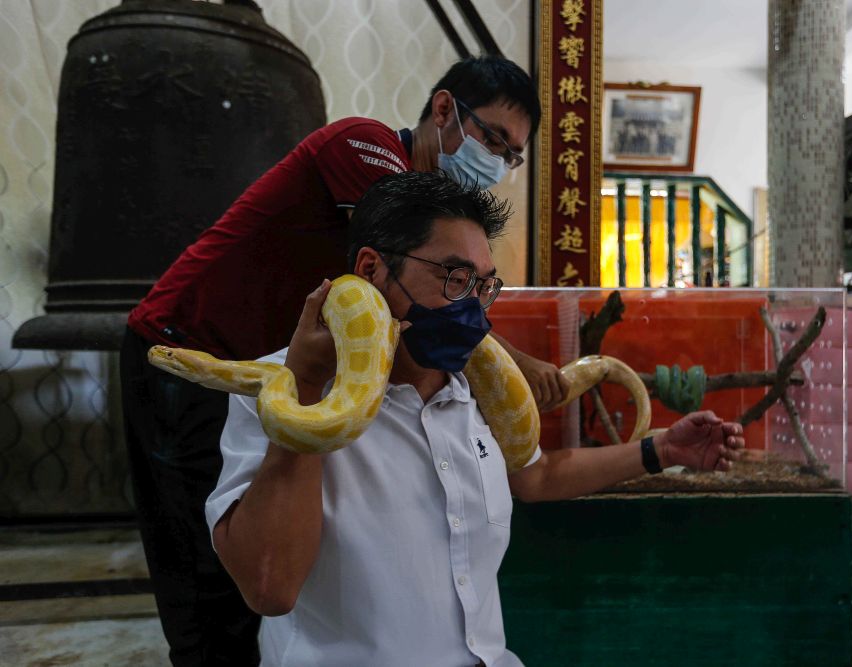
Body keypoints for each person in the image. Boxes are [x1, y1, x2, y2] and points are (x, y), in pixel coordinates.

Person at [120, 55, 567, 666]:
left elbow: (430, 295)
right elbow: (406, 266)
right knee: (209, 574)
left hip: (270, 365)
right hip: (191, 349)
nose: (497, 161)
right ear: (443, 111)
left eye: (511, 154)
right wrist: (520, 360)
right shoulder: (365, 145)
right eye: (493, 137)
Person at [207, 170, 745, 666]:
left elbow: (535, 474)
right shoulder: (277, 387)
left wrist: (659, 451)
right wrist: (304, 387)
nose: (473, 308)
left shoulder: (475, 389)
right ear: (371, 269)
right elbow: (270, 586)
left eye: (483, 285)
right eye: (453, 277)